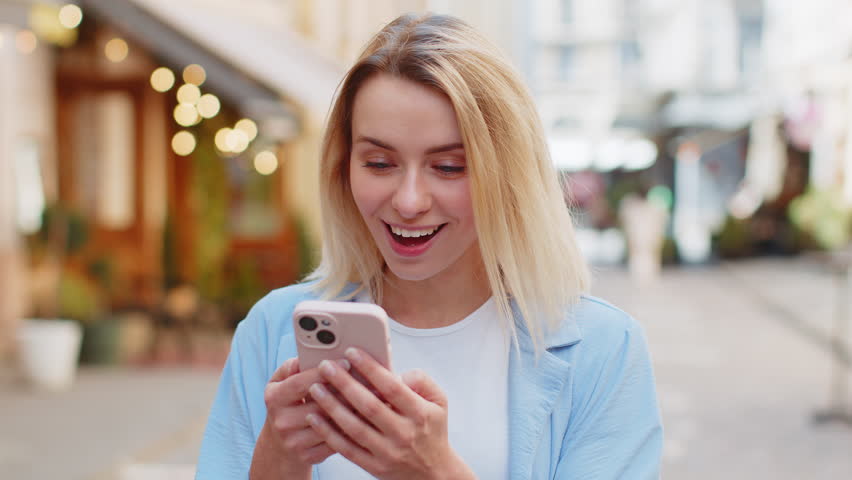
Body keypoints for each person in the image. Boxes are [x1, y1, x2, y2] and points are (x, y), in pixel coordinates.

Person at [196, 12, 662, 480]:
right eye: (379, 163)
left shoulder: (604, 351)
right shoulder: (271, 330)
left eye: (449, 167)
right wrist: (278, 460)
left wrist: (435, 472)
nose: (410, 201)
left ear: (507, 174)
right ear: (343, 167)